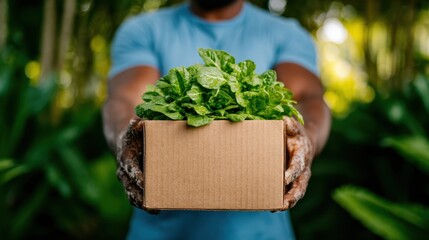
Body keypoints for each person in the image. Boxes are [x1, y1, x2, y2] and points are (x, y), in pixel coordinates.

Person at [102, 0, 331, 239]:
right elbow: (125, 100)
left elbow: (308, 97)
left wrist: (308, 140)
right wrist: (122, 139)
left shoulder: (285, 33)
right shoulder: (144, 29)